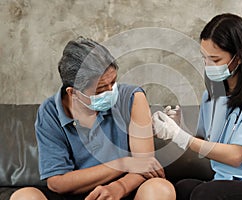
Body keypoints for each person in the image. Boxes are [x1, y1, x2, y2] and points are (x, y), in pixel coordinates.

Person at [152, 13, 242, 200]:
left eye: (215, 60)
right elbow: (205, 144)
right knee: (182, 188)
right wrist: (177, 127)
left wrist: (181, 137)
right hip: (227, 180)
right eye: (204, 58)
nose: (207, 66)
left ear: (238, 58)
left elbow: (236, 156)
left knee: (205, 194)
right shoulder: (212, 96)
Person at [11, 36, 175, 200]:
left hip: (125, 191)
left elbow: (145, 164)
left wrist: (120, 187)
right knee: (23, 196)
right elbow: (57, 182)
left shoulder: (132, 98)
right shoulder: (50, 112)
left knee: (160, 189)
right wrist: (122, 163)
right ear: (73, 93)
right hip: (77, 195)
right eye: (100, 89)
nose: (111, 92)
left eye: (113, 82)